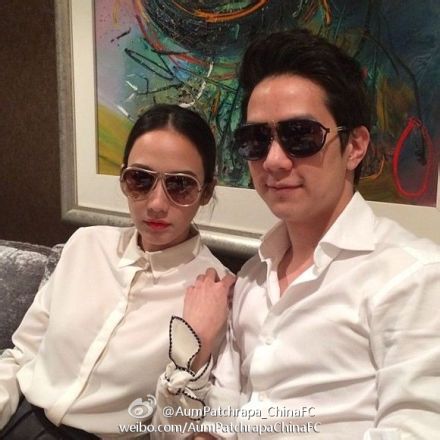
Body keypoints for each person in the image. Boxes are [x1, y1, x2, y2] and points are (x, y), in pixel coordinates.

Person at [156, 29, 440, 439]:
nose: (273, 160)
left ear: (355, 146)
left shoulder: (412, 277)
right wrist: (193, 344)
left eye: (301, 136)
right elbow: (194, 425)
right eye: (256, 140)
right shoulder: (251, 279)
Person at [0, 104, 235, 438]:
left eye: (180, 185)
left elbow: (174, 432)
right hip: (20, 418)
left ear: (206, 192)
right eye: (141, 179)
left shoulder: (217, 293)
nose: (156, 203)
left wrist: (191, 348)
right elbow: (23, 353)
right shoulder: (85, 245)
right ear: (124, 179)